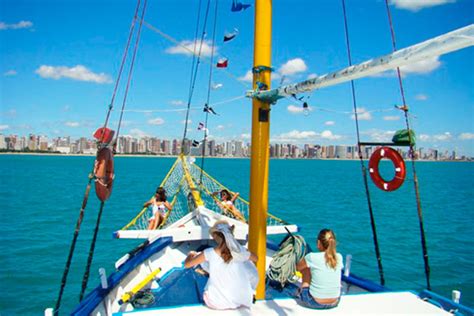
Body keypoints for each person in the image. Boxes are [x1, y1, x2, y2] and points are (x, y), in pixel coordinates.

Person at [184, 220, 258, 310]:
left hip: (215, 302)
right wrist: (242, 251)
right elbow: (256, 258)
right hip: (239, 301)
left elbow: (187, 265)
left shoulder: (209, 252)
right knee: (244, 262)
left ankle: (206, 272)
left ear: (215, 235)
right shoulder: (241, 252)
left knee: (208, 263)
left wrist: (190, 255)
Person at [296, 228, 343, 309]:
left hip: (314, 302)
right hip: (335, 301)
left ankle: (302, 290)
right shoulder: (339, 257)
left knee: (306, 269)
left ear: (318, 243)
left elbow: (297, 268)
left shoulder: (312, 257)